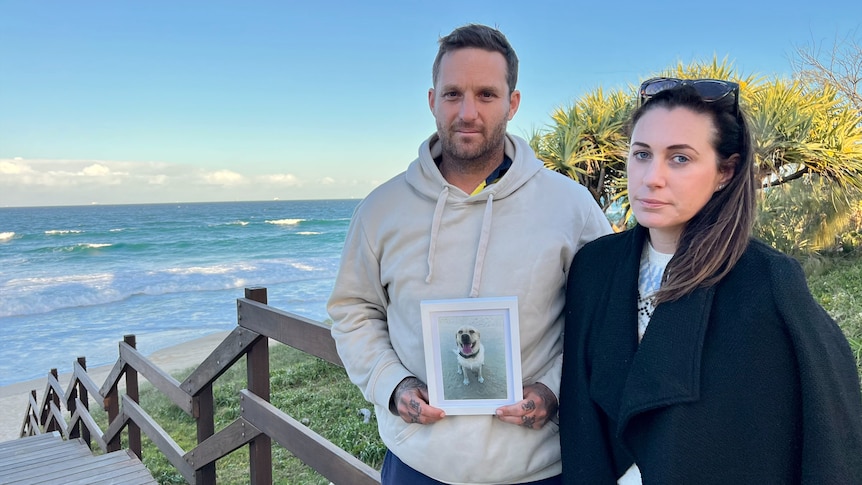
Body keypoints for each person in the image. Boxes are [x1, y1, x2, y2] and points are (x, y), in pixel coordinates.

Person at [327, 24, 612, 485]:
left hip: (539, 468)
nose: (467, 111)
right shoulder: (380, 209)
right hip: (418, 463)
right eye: (453, 93)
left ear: (512, 103)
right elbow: (352, 311)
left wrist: (554, 390)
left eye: (486, 94)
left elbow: (605, 318)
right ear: (431, 100)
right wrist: (392, 385)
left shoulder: (571, 206)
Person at [559, 78, 862, 484]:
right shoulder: (593, 268)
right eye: (642, 154)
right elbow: (582, 419)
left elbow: (831, 432)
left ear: (725, 171)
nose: (652, 177)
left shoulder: (767, 282)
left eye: (680, 158)